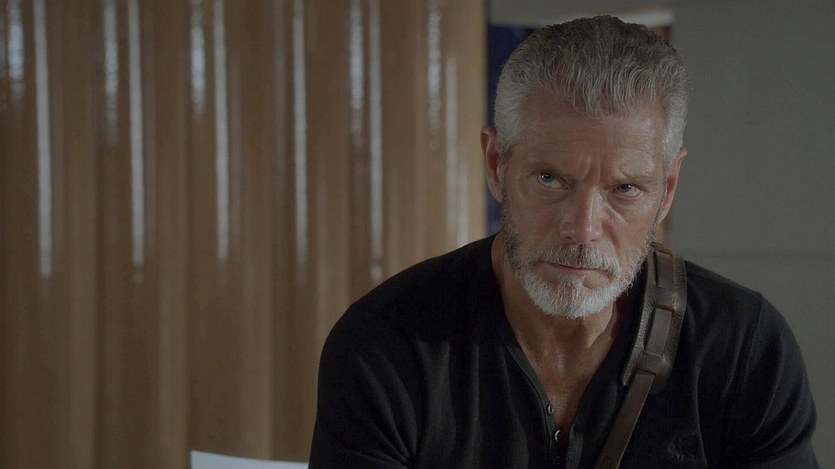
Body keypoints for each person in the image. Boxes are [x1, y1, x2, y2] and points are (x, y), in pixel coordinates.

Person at [308, 16, 818, 468]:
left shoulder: (743, 349)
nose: (583, 228)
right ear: (496, 165)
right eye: (550, 179)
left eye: (625, 189)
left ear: (667, 190)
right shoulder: (387, 347)